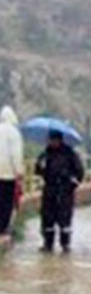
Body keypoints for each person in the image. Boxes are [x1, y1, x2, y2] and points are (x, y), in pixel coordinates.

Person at [35, 130, 84, 254]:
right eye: (50, 140)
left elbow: (79, 172)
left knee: (64, 219)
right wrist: (40, 167)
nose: (52, 142)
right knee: (47, 219)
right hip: (49, 190)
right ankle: (48, 244)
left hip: (65, 192)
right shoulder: (45, 154)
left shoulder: (70, 154)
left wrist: (71, 185)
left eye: (54, 140)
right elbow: (37, 171)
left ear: (60, 140)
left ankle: (65, 244)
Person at [0, 106, 24, 248]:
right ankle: (3, 229)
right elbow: (16, 154)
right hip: (8, 174)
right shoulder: (14, 133)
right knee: (6, 203)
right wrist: (18, 172)